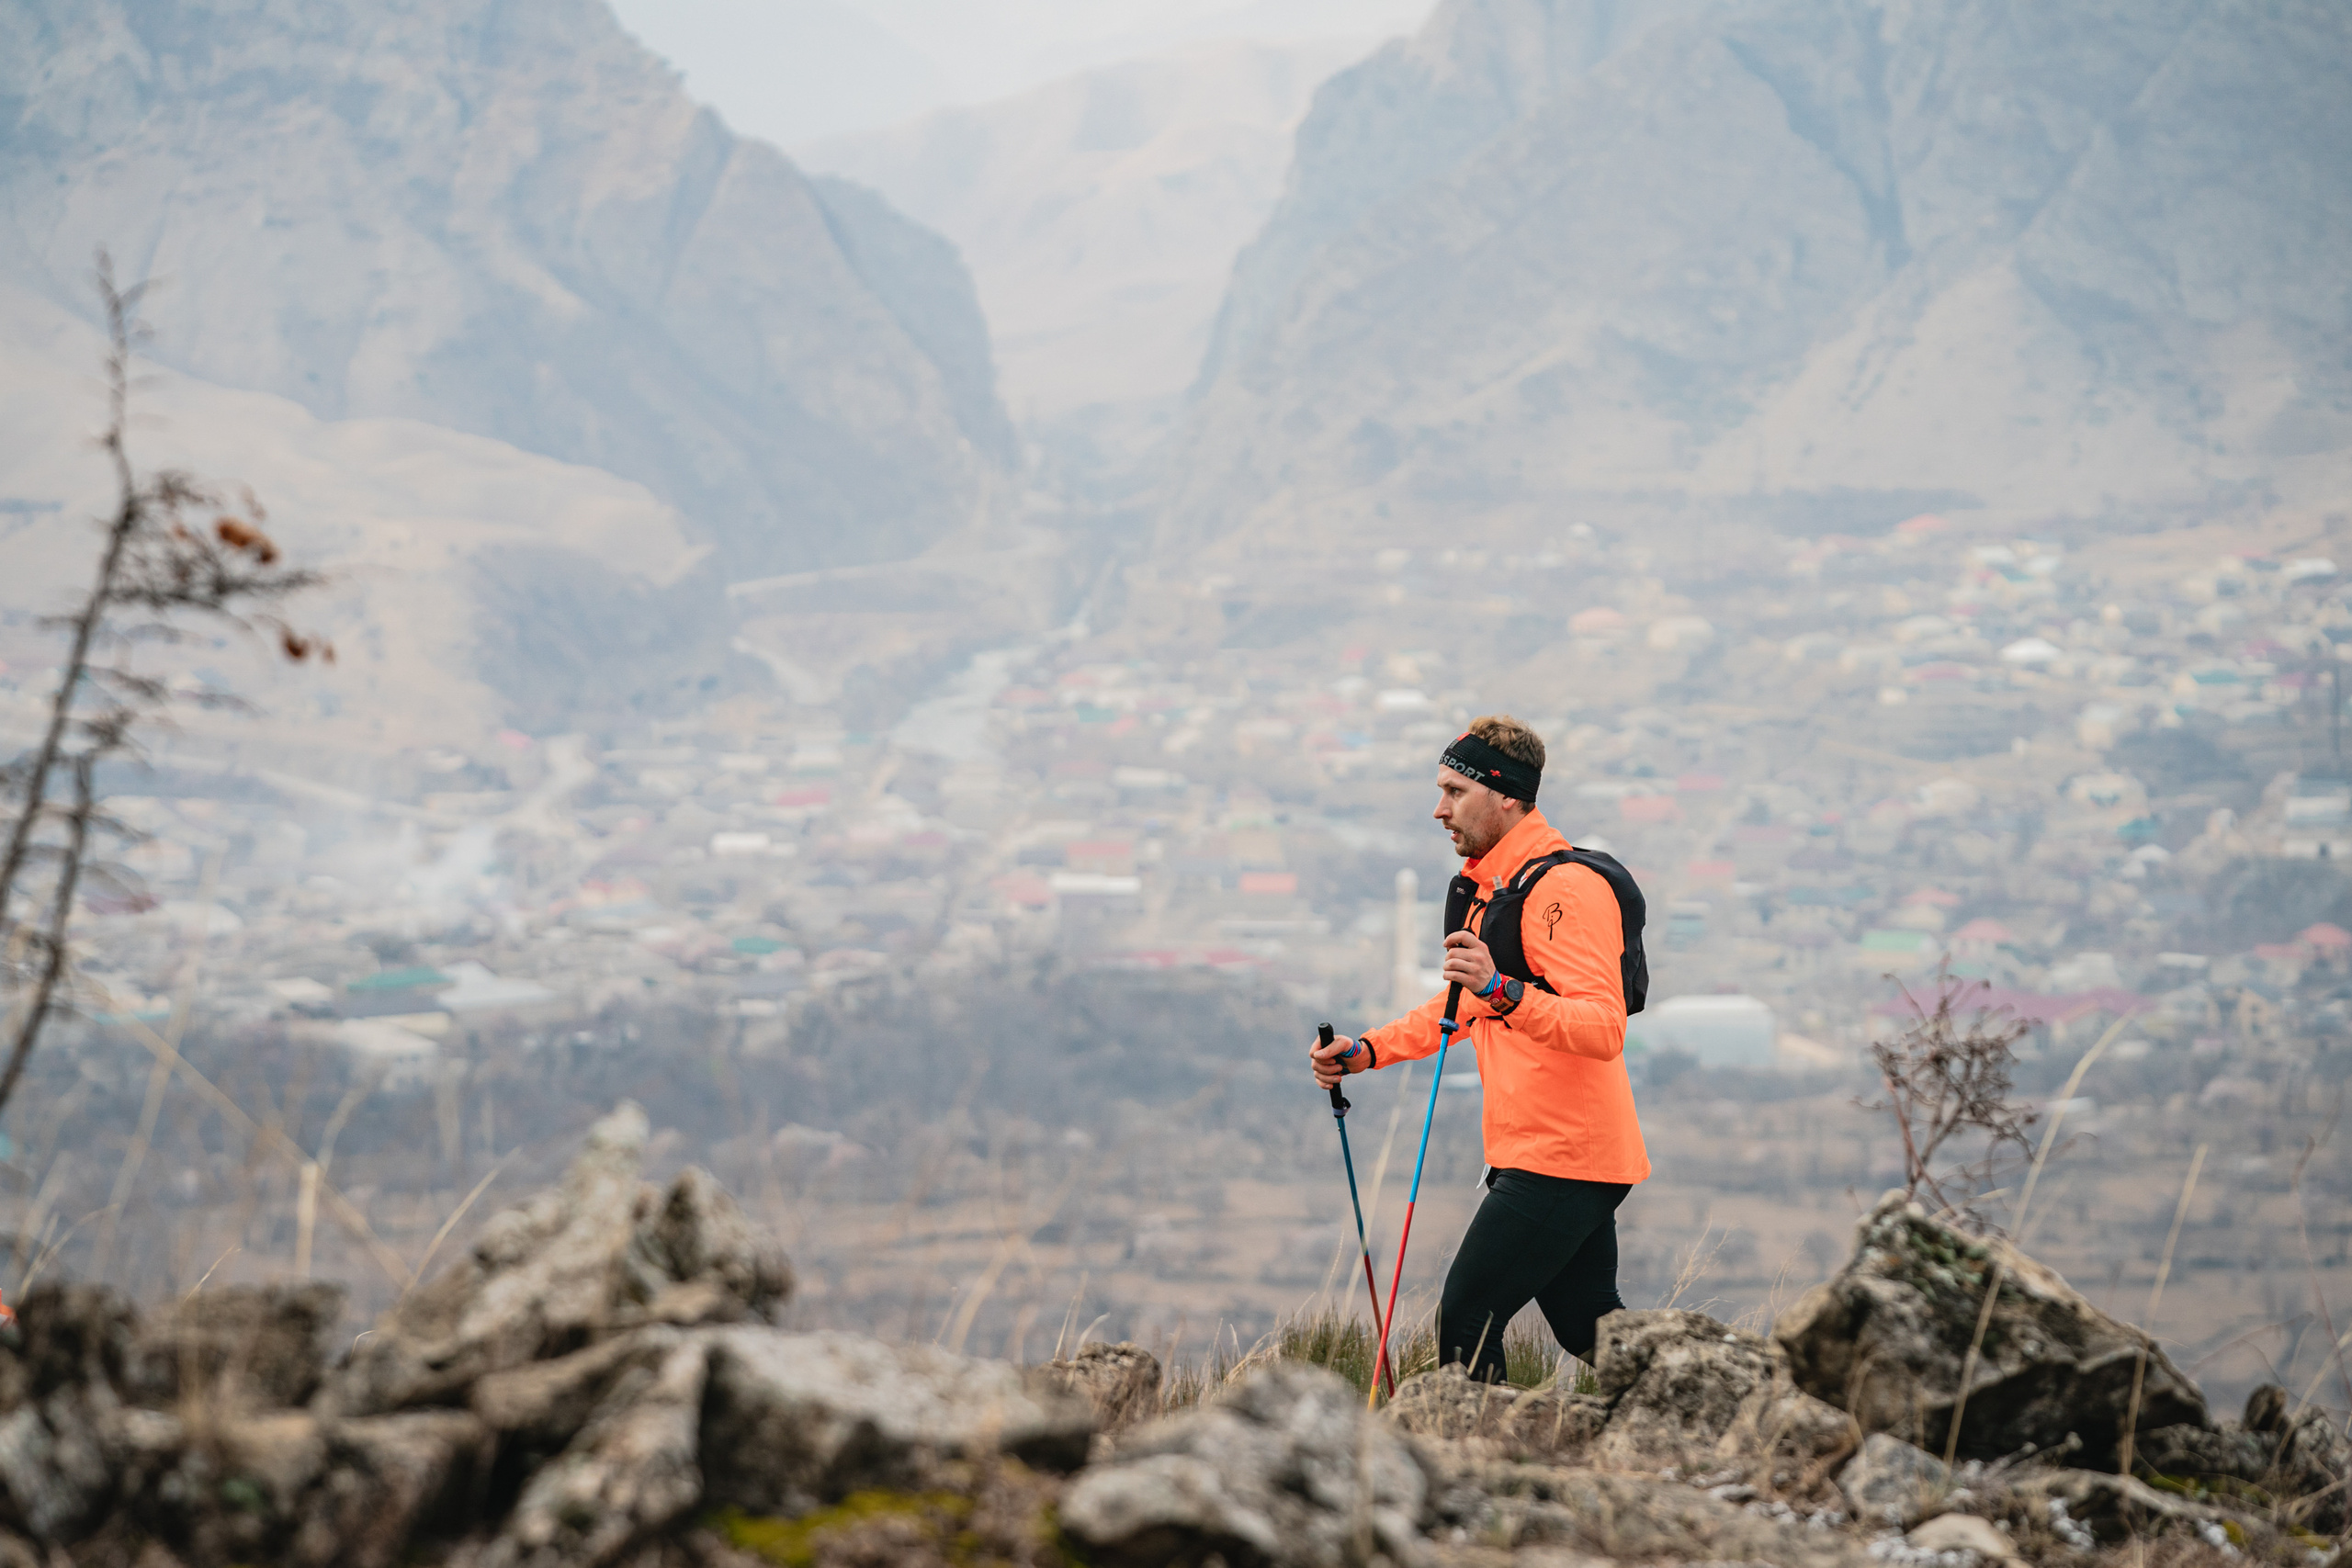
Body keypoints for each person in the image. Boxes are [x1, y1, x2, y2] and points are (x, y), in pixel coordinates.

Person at [1311, 715, 1648, 1382]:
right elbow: (1462, 1005)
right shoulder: (1491, 888)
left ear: (1506, 796)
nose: (1439, 810)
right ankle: (1714, 1400)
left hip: (1565, 1154)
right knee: (1590, 1324)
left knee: (1468, 1316)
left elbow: (1604, 1027)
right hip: (1544, 1149)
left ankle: (1475, 1462)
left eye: (1453, 791)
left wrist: (1502, 989)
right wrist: (1367, 1051)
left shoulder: (1563, 890)